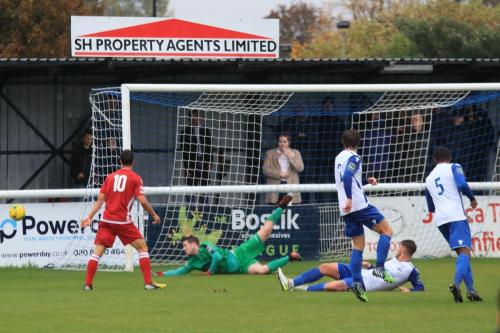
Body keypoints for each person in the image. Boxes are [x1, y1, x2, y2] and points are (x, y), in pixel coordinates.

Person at [80, 150, 165, 290]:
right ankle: (148, 282)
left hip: (107, 220)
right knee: (143, 247)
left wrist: (89, 217)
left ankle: (88, 284)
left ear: (120, 161)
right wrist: (154, 215)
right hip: (122, 222)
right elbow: (142, 200)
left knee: (97, 253)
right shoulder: (136, 178)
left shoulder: (110, 177)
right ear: (133, 162)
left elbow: (101, 199)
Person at [155, 194, 302, 276]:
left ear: (194, 243)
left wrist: (210, 272)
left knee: (265, 231)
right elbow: (179, 271)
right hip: (241, 267)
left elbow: (217, 257)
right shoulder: (193, 262)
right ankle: (289, 257)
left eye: (185, 245)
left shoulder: (206, 246)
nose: (184, 249)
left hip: (240, 253)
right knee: (261, 271)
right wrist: (162, 274)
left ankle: (280, 208)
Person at [334, 129, 394, 302]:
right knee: (387, 231)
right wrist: (351, 199)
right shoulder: (355, 157)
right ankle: (380, 268)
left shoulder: (339, 157)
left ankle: (357, 284)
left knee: (358, 246)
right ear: (358, 143)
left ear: (343, 142)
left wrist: (367, 181)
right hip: (358, 205)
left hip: (345, 208)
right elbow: (347, 176)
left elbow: (349, 179)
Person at [425, 146, 482, 302]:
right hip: (455, 216)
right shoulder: (454, 167)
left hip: (441, 220)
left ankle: (472, 291)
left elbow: (430, 206)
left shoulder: (429, 178)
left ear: (434, 160)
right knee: (465, 253)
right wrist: (472, 198)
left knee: (463, 254)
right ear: (449, 158)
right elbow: (462, 184)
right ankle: (456, 284)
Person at [277, 239, 424, 293]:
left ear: (404, 250)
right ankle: (292, 283)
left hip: (364, 283)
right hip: (362, 272)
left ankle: (295, 287)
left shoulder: (411, 270)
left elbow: (420, 288)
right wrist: (369, 266)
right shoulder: (393, 260)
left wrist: (409, 290)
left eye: (399, 247)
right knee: (326, 267)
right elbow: (381, 272)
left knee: (333, 286)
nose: (396, 248)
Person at [180, 109, 213, 203]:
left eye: (197, 117)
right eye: (193, 117)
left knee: (204, 187)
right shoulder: (185, 132)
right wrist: (187, 167)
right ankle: (190, 209)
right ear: (190, 119)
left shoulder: (205, 131)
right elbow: (184, 152)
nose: (196, 119)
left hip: (203, 161)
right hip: (192, 163)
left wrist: (210, 162)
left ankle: (204, 209)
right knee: (191, 188)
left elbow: (209, 148)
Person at [262, 133, 304, 204]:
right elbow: (265, 170)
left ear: (289, 143)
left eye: (284, 142)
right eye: (280, 142)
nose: (282, 144)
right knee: (275, 210)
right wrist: (279, 174)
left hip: (291, 185)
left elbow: (300, 168)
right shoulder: (270, 153)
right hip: (275, 186)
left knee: (291, 211)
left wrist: (290, 157)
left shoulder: (296, 153)